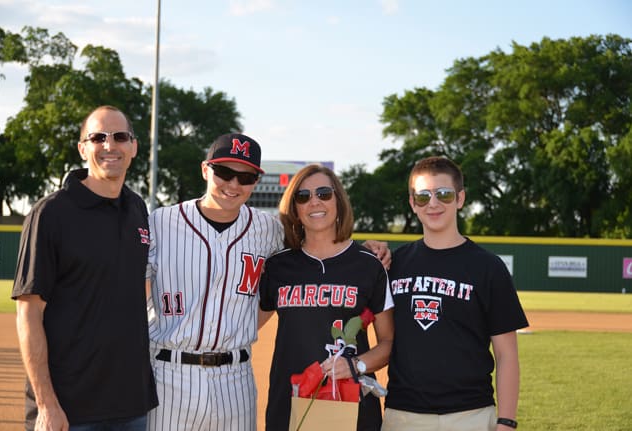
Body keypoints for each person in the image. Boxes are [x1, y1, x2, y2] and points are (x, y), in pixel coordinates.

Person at [146, 135, 391, 431]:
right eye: (224, 172)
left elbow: (322, 249)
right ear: (205, 170)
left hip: (235, 379)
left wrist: (370, 249)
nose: (234, 184)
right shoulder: (159, 223)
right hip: (171, 373)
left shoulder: (266, 230)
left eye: (246, 176)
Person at [12, 105, 158, 431]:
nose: (110, 145)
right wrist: (47, 404)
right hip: (69, 409)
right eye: (98, 137)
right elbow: (28, 314)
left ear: (133, 147)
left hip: (131, 405)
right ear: (83, 148)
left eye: (120, 137)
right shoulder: (50, 214)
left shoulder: (137, 209)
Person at [382, 156, 529, 431]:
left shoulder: (488, 267)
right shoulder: (395, 264)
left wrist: (507, 422)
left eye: (444, 194)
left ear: (460, 199)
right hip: (403, 414)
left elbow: (507, 355)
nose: (434, 203)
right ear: (413, 203)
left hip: (470, 415)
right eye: (423, 196)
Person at [258, 164, 395, 431]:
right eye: (303, 196)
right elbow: (245, 325)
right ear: (294, 209)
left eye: (323, 193)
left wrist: (356, 365)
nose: (314, 202)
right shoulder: (278, 266)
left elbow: (389, 342)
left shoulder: (369, 264)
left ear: (339, 201)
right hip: (291, 403)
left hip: (351, 406)